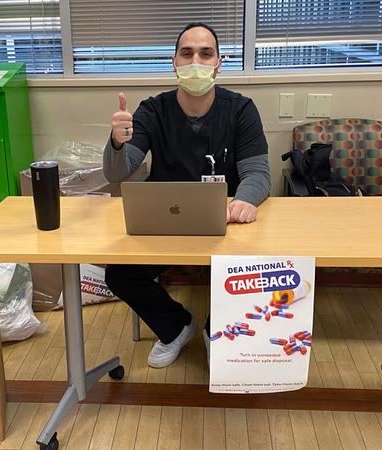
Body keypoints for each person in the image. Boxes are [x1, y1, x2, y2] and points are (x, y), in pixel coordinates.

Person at [103, 22, 271, 368]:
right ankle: (177, 326)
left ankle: (215, 331)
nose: (196, 61)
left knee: (246, 269)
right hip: (166, 223)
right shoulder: (152, 110)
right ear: (174, 62)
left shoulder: (241, 110)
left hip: (226, 223)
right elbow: (118, 172)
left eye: (205, 53)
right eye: (187, 53)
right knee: (119, 274)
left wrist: (246, 200)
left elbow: (258, 173)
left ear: (219, 63)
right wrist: (118, 142)